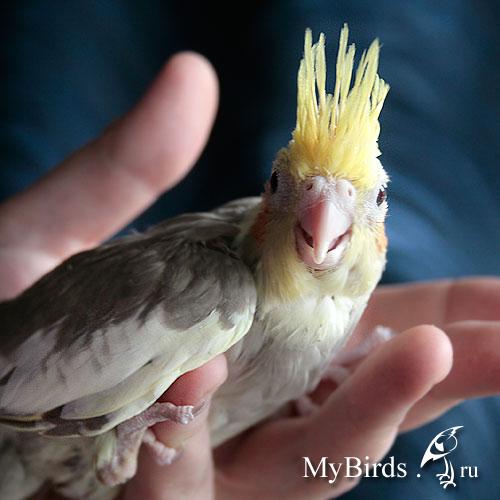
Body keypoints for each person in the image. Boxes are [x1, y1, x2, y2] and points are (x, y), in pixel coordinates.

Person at [1, 2, 499, 498]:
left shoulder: (347, 293)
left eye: (377, 200)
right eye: (283, 186)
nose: (322, 219)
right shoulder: (215, 295)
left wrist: (316, 367)